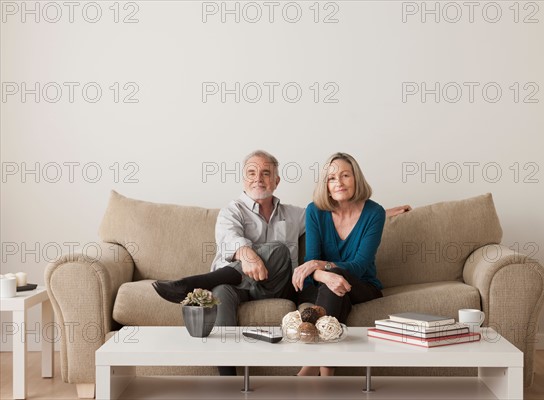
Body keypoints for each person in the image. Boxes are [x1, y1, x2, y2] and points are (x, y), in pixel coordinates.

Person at [153, 150, 305, 376]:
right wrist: (247, 254)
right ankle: (229, 381)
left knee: (279, 251)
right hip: (238, 287)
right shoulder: (231, 211)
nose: (258, 179)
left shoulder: (297, 215)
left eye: (266, 173)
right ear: (244, 179)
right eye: (251, 173)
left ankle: (193, 284)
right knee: (220, 292)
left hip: (276, 287)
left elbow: (328, 219)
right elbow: (229, 239)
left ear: (276, 180)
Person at [291, 152, 389, 377]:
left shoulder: (374, 213)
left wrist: (320, 267)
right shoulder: (314, 211)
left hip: (363, 286)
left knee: (336, 278)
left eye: (345, 175)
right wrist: (325, 274)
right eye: (332, 178)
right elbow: (311, 267)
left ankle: (309, 368)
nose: (339, 182)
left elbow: (359, 265)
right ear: (325, 185)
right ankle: (327, 377)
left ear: (356, 179)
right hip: (325, 287)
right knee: (335, 288)